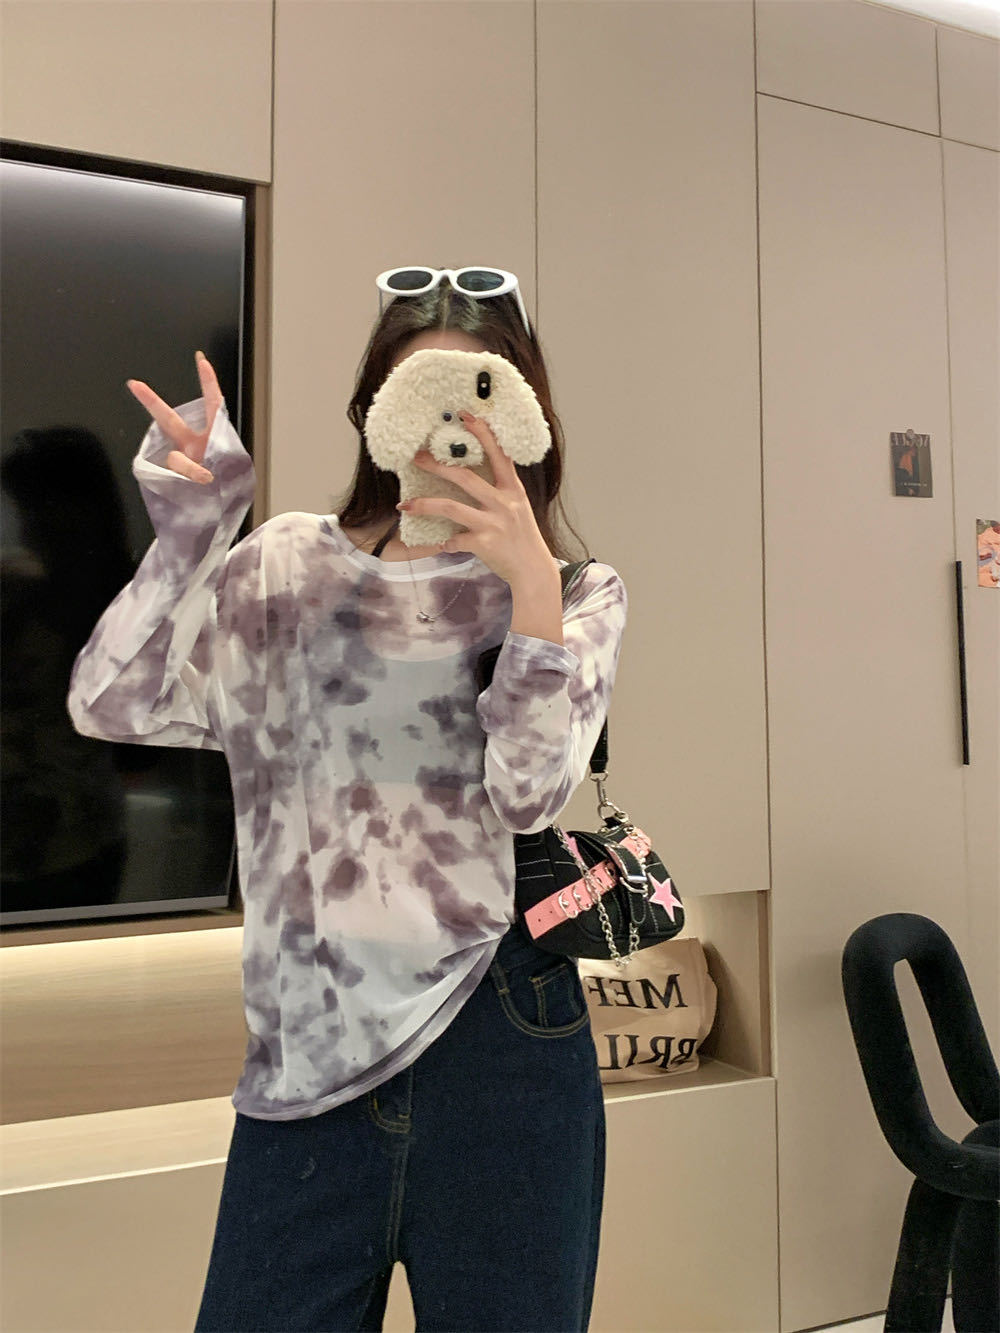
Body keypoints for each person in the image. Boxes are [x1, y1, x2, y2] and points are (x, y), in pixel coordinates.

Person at [66, 266, 628, 1332]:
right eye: (421, 396)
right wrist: (192, 534)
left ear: (526, 414)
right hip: (306, 1057)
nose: (450, 431)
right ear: (373, 410)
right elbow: (113, 702)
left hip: (500, 1033)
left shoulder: (575, 592)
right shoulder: (285, 566)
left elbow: (527, 795)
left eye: (479, 396)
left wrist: (528, 589)